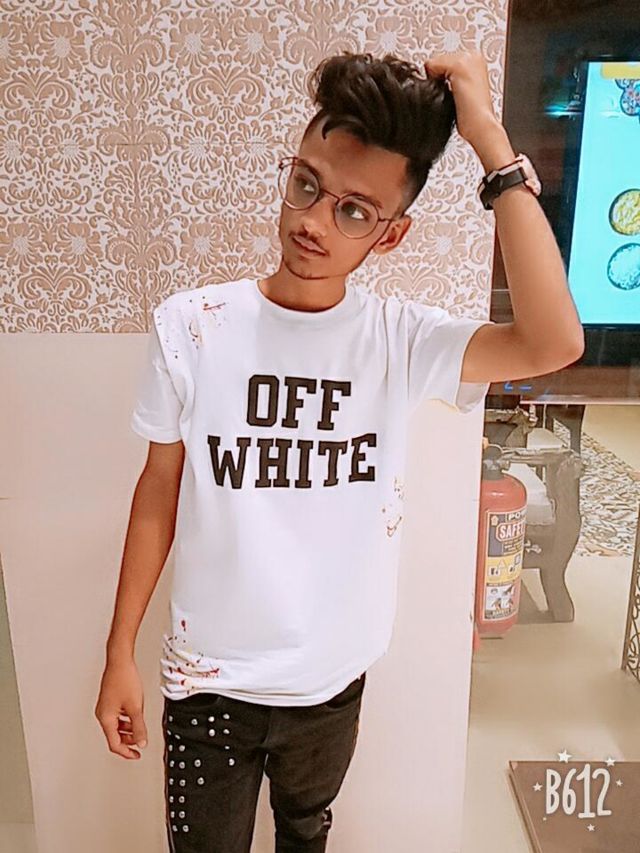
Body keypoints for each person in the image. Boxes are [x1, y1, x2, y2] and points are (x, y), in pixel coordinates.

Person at [95, 49, 584, 852]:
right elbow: (158, 493)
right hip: (207, 680)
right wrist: (119, 650)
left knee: (306, 833)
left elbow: (554, 340)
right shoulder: (193, 325)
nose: (314, 221)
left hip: (331, 682)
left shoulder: (397, 341)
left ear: (391, 235)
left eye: (355, 211)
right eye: (307, 184)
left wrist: (490, 142)